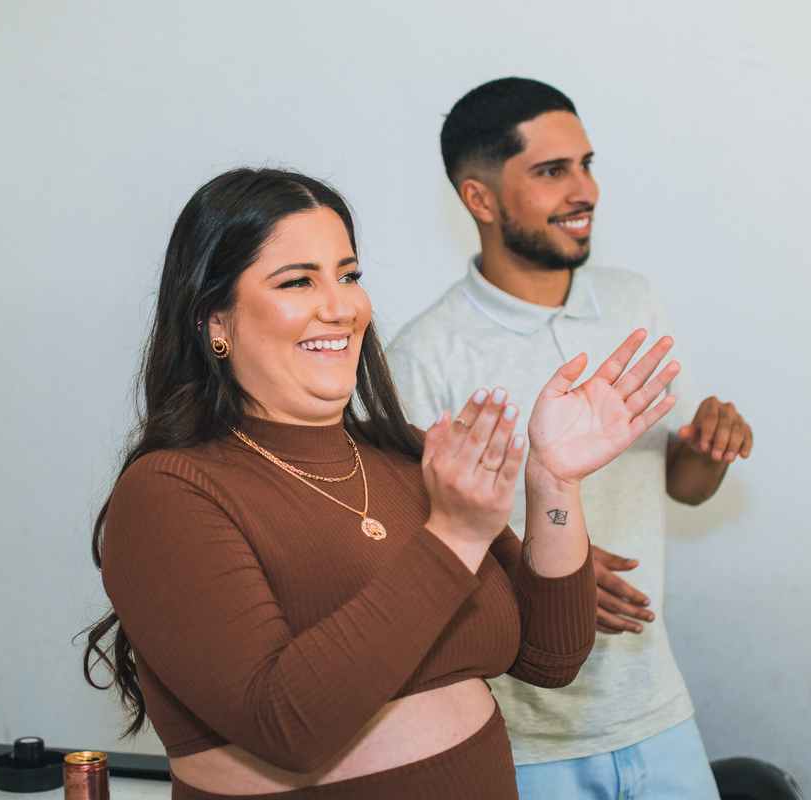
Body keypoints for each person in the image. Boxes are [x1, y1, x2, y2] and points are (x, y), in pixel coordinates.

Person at [82, 167, 684, 799]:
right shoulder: (169, 493)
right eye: (297, 281)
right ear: (215, 322)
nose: (340, 306)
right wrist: (451, 537)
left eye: (348, 275)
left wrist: (554, 482)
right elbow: (285, 724)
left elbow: (551, 654)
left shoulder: (408, 455)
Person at [388, 78, 756, 799]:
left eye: (586, 164)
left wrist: (707, 449)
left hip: (657, 714)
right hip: (521, 744)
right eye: (553, 171)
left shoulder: (631, 300)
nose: (584, 190)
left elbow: (681, 488)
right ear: (481, 200)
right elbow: (409, 561)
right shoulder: (423, 355)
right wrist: (544, 583)